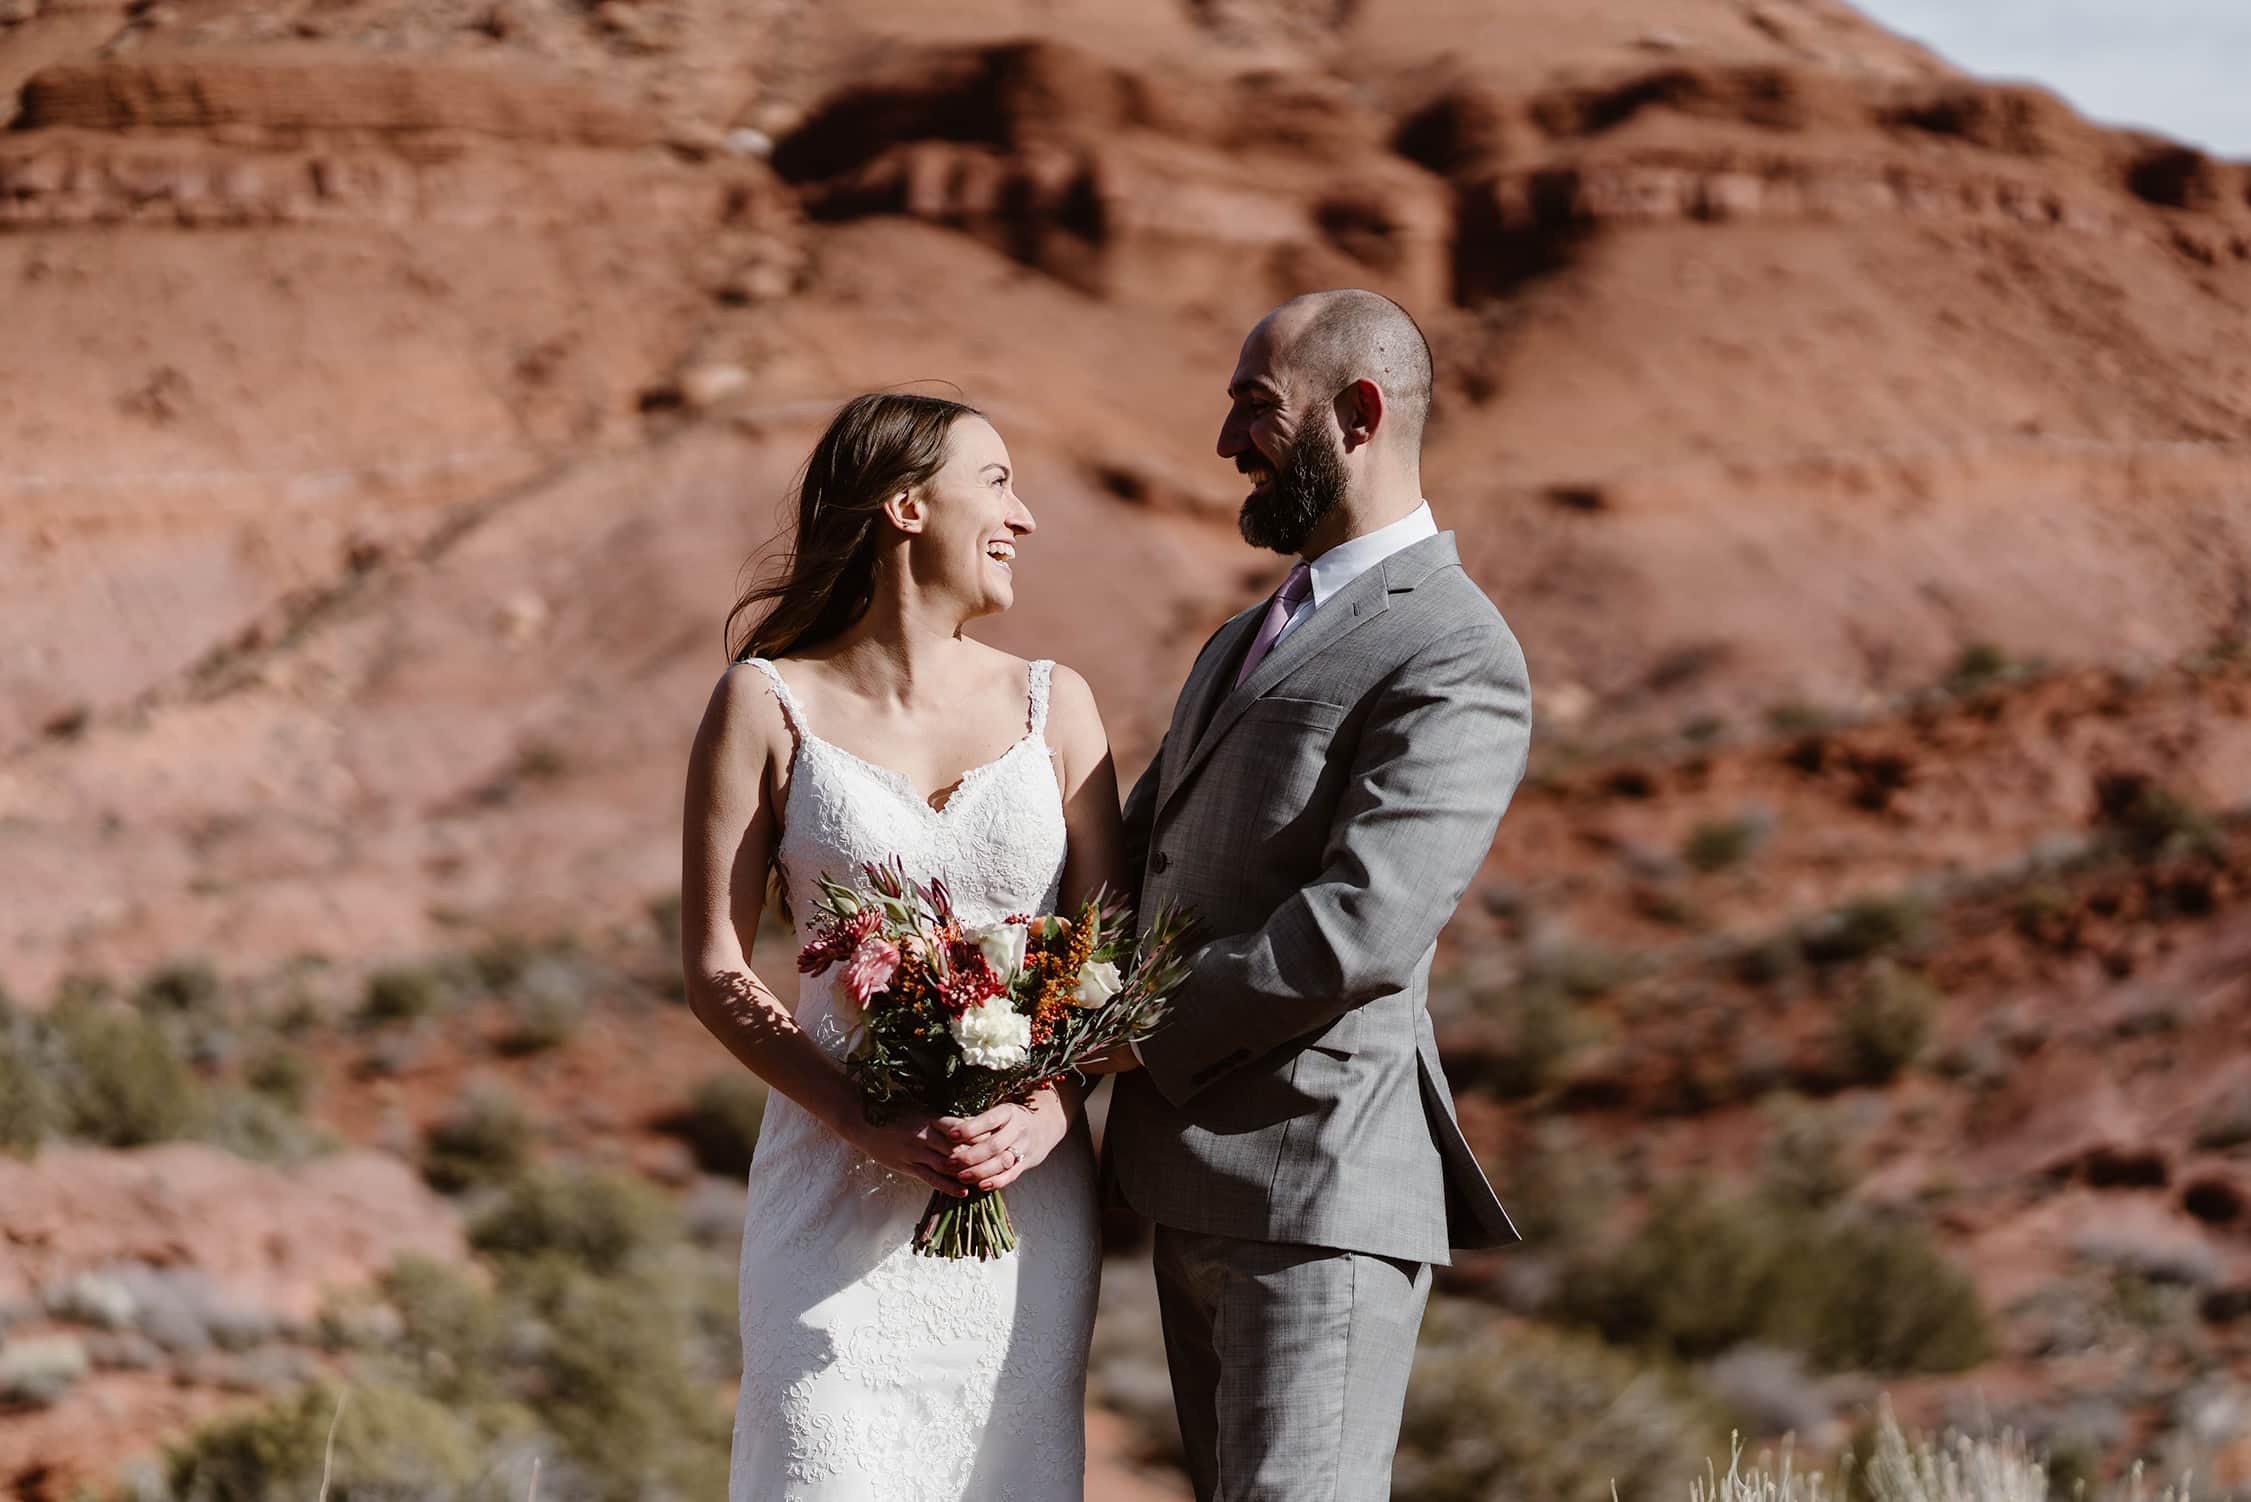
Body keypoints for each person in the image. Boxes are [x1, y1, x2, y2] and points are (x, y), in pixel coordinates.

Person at [1102, 289, 1531, 1502]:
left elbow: (1364, 928)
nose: (1227, 443)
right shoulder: (1238, 638)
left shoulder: (1455, 646)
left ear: (1357, 412)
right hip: (1184, 1189)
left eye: (1254, 408)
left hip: (1320, 1192)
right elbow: (1135, 863)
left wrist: (1123, 1028)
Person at [678, 391, 1128, 1500]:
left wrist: (1046, 1111)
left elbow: (1115, 963)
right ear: (906, 506)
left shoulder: (1056, 706)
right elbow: (716, 967)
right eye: (999, 482)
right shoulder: (763, 703)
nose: (1023, 516)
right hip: (826, 1195)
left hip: (1023, 1200)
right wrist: (864, 1115)